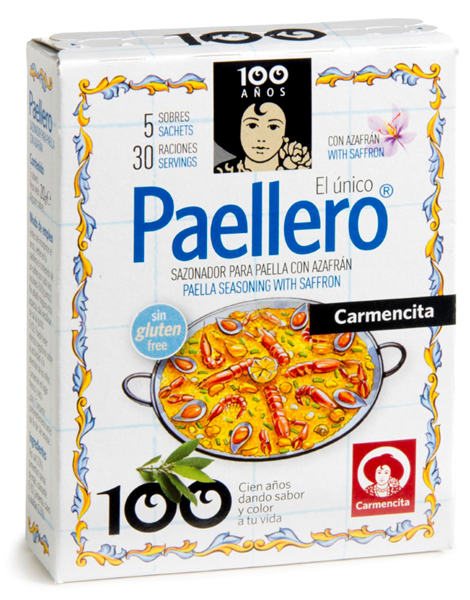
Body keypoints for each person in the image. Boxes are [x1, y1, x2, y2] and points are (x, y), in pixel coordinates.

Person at [215, 102, 311, 173]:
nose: (261, 138)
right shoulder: (222, 171)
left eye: (273, 127)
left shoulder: (300, 168)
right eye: (252, 125)